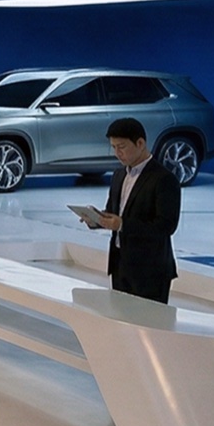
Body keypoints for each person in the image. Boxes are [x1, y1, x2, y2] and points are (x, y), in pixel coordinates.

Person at [93, 117, 180, 303]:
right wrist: (98, 219)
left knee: (149, 327)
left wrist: (123, 225)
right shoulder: (118, 175)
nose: (117, 153)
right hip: (120, 264)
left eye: (122, 147)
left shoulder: (164, 179)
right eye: (114, 147)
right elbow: (114, 212)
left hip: (150, 270)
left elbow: (166, 226)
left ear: (140, 143)